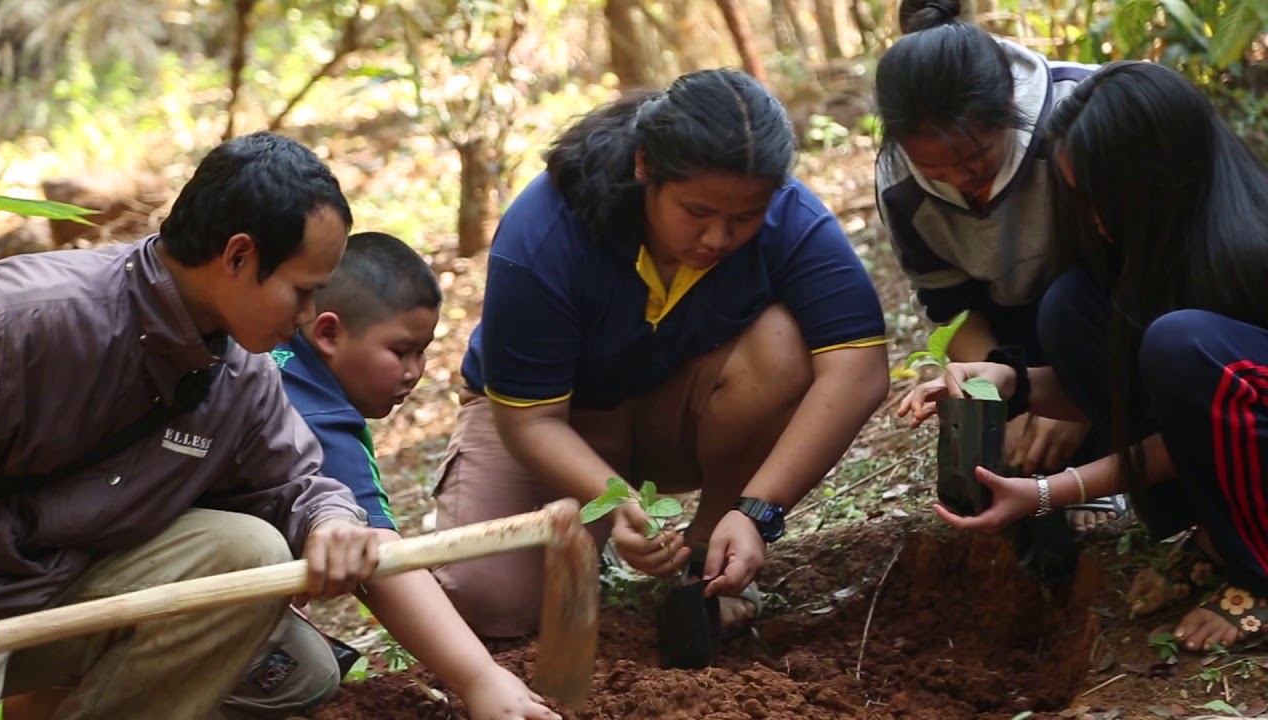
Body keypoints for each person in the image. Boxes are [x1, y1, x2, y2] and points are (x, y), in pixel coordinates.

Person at [432, 67, 890, 639]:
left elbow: (860, 371)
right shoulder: (546, 230)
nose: (718, 238)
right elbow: (530, 419)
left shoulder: (789, 217)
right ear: (645, 166)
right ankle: (591, 539)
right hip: (558, 422)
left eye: (744, 218)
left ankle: (706, 557)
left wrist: (758, 512)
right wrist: (616, 501)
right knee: (490, 601)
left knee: (784, 345)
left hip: (678, 412)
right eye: (697, 213)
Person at [0, 131, 383, 719]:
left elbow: (293, 485)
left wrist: (332, 519)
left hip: (58, 594)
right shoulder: (25, 324)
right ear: (238, 256)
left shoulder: (240, 373)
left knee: (252, 558)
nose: (306, 318)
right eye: (303, 292)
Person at [900, 61, 1268, 653]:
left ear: (1157, 180)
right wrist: (1009, 383)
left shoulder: (1247, 257)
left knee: (1178, 344)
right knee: (1069, 307)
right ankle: (1216, 538)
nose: (1093, 220)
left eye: (1102, 199)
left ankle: (1260, 569)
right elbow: (1155, 402)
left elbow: (1200, 431)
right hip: (1234, 440)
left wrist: (1050, 492)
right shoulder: (1155, 250)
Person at [264, 231, 558, 719]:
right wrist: (479, 678)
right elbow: (380, 558)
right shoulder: (319, 423)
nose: (414, 371)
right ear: (329, 334)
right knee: (309, 674)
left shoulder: (271, 352)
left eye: (422, 352)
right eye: (400, 351)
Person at [874, 0, 1124, 533]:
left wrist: (1074, 402)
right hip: (1011, 331)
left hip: (1109, 310)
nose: (961, 181)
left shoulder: (1080, 112)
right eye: (933, 169)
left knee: (1067, 306)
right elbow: (952, 305)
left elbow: (1145, 272)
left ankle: (1114, 453)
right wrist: (1002, 402)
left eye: (974, 159)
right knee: (992, 453)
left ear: (1010, 106)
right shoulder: (898, 183)